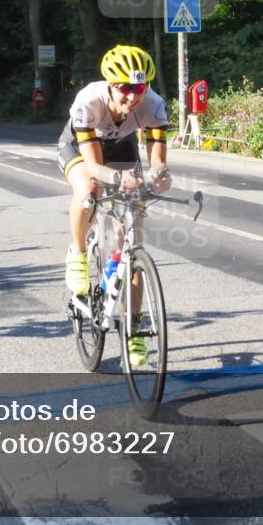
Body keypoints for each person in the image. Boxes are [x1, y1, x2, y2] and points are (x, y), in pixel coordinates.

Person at [57, 45, 173, 365]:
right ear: (110, 85)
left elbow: (158, 161)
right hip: (81, 149)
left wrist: (160, 176)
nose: (132, 96)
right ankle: (79, 254)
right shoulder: (88, 102)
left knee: (134, 235)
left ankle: (134, 330)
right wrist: (119, 178)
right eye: (125, 88)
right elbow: (94, 166)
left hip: (122, 146)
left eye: (140, 88)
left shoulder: (154, 105)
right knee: (89, 190)